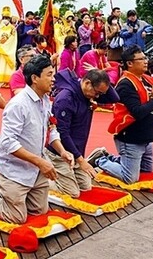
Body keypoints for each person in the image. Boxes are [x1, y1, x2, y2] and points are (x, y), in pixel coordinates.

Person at [0, 55, 73, 224]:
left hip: (36, 169)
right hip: (15, 169)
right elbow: (8, 143)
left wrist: (62, 151)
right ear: (35, 78)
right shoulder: (19, 104)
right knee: (16, 217)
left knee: (39, 211)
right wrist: (40, 162)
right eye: (50, 74)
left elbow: (51, 130)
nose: (54, 79)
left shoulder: (45, 100)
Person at [94, 46, 153, 184]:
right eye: (141, 59)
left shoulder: (147, 79)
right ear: (129, 63)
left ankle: (116, 159)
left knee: (146, 172)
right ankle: (100, 160)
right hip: (131, 138)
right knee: (130, 178)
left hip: (146, 138)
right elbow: (138, 112)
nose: (146, 61)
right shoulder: (125, 84)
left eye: (145, 58)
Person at [48, 69, 119, 197]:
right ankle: (40, 181)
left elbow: (115, 98)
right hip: (60, 153)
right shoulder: (66, 99)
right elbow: (62, 133)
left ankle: (69, 173)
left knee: (86, 187)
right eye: (97, 93)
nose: (97, 97)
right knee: (72, 192)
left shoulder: (88, 93)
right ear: (87, 83)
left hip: (77, 151)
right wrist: (81, 161)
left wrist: (101, 74)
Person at [0, 8, 17, 85]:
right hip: (1, 49)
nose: (5, 20)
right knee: (2, 65)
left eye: (7, 18)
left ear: (9, 19)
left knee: (8, 65)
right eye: (4, 18)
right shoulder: (1, 28)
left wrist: (3, 47)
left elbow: (12, 40)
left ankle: (9, 81)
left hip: (7, 49)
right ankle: (4, 81)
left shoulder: (12, 29)